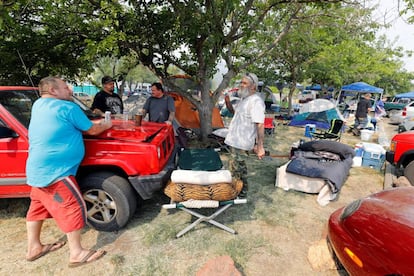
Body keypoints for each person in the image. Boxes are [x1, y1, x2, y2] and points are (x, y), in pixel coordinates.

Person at [25, 76, 112, 267]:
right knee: (73, 206)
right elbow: (92, 130)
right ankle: (77, 253)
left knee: (37, 209)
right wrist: (107, 124)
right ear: (53, 91)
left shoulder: (38, 105)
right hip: (57, 171)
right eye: (66, 87)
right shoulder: (67, 107)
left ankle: (34, 247)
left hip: (36, 170)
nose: (70, 91)